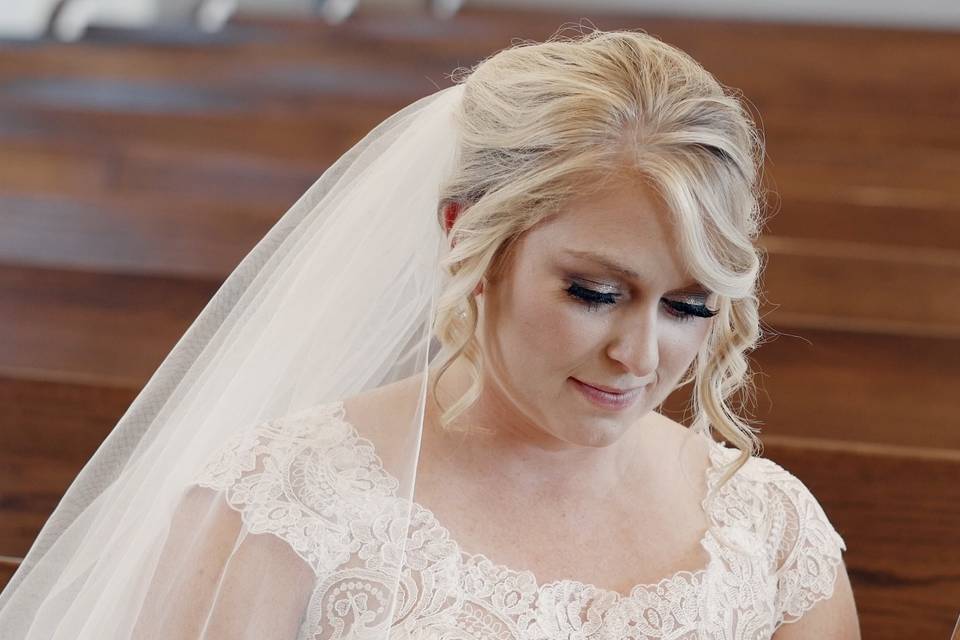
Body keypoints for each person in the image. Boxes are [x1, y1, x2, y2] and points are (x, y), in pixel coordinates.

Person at [0, 28, 859, 639]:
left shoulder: (767, 529)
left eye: (689, 307)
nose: (639, 357)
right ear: (467, 236)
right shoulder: (287, 504)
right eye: (596, 292)